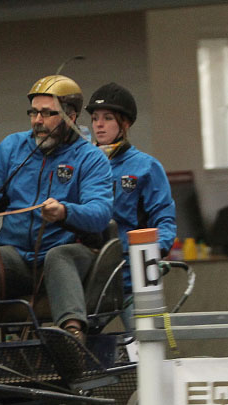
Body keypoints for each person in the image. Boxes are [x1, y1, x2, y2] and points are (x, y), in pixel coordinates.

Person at [0, 74, 113, 339]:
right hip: (19, 257)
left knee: (58, 256)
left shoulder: (91, 158)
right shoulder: (11, 148)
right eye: (33, 113)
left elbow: (100, 214)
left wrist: (65, 212)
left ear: (70, 116)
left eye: (47, 114)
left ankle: (72, 336)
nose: (37, 121)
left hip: (69, 253)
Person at [86, 82, 176, 315]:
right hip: (93, 271)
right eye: (95, 118)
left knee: (145, 341)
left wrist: (155, 251)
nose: (99, 125)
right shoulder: (83, 165)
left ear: (124, 124)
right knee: (83, 341)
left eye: (107, 118)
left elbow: (164, 219)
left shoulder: (146, 167)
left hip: (134, 271)